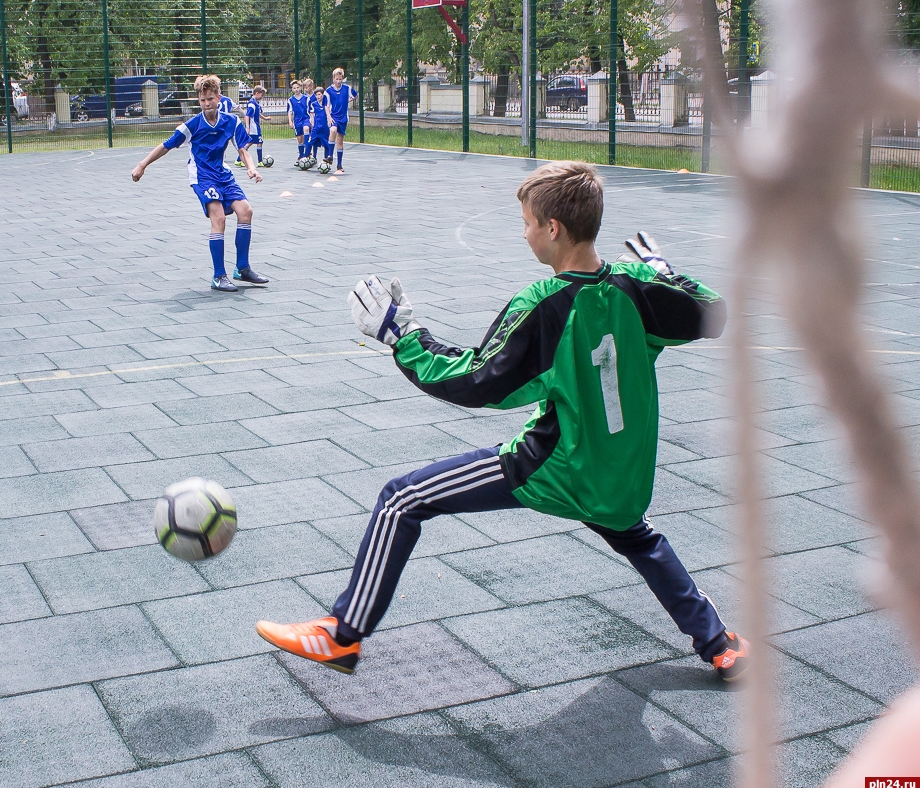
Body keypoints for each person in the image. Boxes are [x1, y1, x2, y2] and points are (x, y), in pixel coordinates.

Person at [256, 161, 750, 683]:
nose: (525, 233)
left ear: (552, 229)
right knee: (637, 536)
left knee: (402, 499)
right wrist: (665, 270)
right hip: (622, 473)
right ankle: (718, 643)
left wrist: (402, 336)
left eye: (527, 223)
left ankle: (341, 634)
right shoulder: (640, 287)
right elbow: (712, 312)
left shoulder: (547, 306)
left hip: (560, 466)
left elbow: (477, 379)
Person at [131, 74, 271, 293]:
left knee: (246, 211)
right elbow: (166, 145)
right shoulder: (192, 125)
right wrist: (142, 165)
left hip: (223, 174)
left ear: (218, 98)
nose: (207, 103)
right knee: (219, 218)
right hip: (202, 176)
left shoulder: (231, 121)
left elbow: (243, 149)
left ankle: (242, 268)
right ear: (199, 100)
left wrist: (251, 168)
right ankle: (218, 276)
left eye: (211, 99)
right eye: (203, 99)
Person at [325, 68, 358, 174]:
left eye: (340, 79)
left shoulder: (347, 88)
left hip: (343, 118)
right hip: (334, 116)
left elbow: (355, 94)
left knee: (340, 140)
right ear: (333, 79)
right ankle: (330, 155)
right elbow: (326, 105)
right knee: (333, 130)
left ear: (342, 79)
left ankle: (339, 165)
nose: (338, 81)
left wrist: (349, 99)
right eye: (336, 79)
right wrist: (329, 117)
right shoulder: (328, 91)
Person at [238, 84, 271, 168]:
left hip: (255, 126)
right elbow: (247, 115)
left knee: (250, 142)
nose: (262, 97)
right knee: (259, 142)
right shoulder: (252, 104)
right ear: (257, 93)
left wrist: (265, 118)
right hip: (253, 127)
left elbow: (258, 113)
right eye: (261, 95)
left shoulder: (256, 103)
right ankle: (259, 161)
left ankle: (238, 159)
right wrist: (248, 127)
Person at [306, 86, 333, 166]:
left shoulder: (327, 106)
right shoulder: (313, 104)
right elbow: (311, 114)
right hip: (316, 128)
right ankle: (305, 157)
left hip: (324, 129)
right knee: (310, 142)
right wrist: (313, 123)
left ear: (323, 95)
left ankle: (326, 161)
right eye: (316, 95)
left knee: (326, 145)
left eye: (319, 94)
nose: (318, 96)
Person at [287, 80, 310, 166]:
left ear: (300, 88)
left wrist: (311, 120)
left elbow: (310, 110)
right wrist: (290, 121)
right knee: (300, 139)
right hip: (297, 121)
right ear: (292, 89)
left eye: (297, 87)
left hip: (306, 119)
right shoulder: (291, 100)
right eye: (294, 88)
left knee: (306, 129)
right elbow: (290, 111)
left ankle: (307, 154)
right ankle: (300, 156)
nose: (296, 89)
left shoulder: (306, 98)